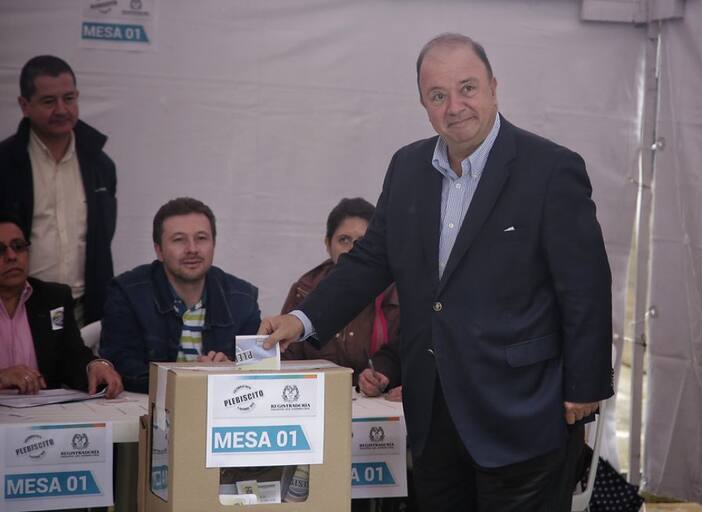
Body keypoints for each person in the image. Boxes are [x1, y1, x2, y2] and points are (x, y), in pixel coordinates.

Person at [260, 33, 614, 511]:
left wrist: (586, 385)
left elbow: (586, 286)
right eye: (438, 95)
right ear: (423, 103)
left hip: (524, 411)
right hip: (433, 413)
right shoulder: (407, 167)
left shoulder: (551, 169)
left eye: (467, 88)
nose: (455, 107)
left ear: (493, 87)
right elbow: (370, 260)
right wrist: (301, 319)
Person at [99, 197, 261, 393]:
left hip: (220, 403)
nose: (192, 249)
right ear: (159, 250)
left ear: (214, 244)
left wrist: (231, 371)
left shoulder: (243, 299)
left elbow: (259, 371)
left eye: (201, 238)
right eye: (179, 240)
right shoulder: (127, 293)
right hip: (145, 404)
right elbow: (120, 366)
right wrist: (193, 378)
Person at [0, 55, 117, 326]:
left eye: (69, 98)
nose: (62, 110)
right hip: (17, 309)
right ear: (24, 105)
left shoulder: (101, 165)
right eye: (49, 101)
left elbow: (102, 237)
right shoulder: (5, 164)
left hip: (83, 310)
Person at [0, 213, 123, 397]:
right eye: (0, 250)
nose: (11, 256)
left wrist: (95, 366)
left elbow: (72, 356)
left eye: (18, 246)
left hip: (43, 409)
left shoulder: (53, 299)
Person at [280, 197, 399, 386]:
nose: (353, 249)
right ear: (327, 244)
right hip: (316, 396)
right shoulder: (304, 290)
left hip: (377, 401)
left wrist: (383, 376)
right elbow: (286, 359)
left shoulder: (398, 295)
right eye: (344, 240)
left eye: (363, 242)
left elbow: (405, 355)